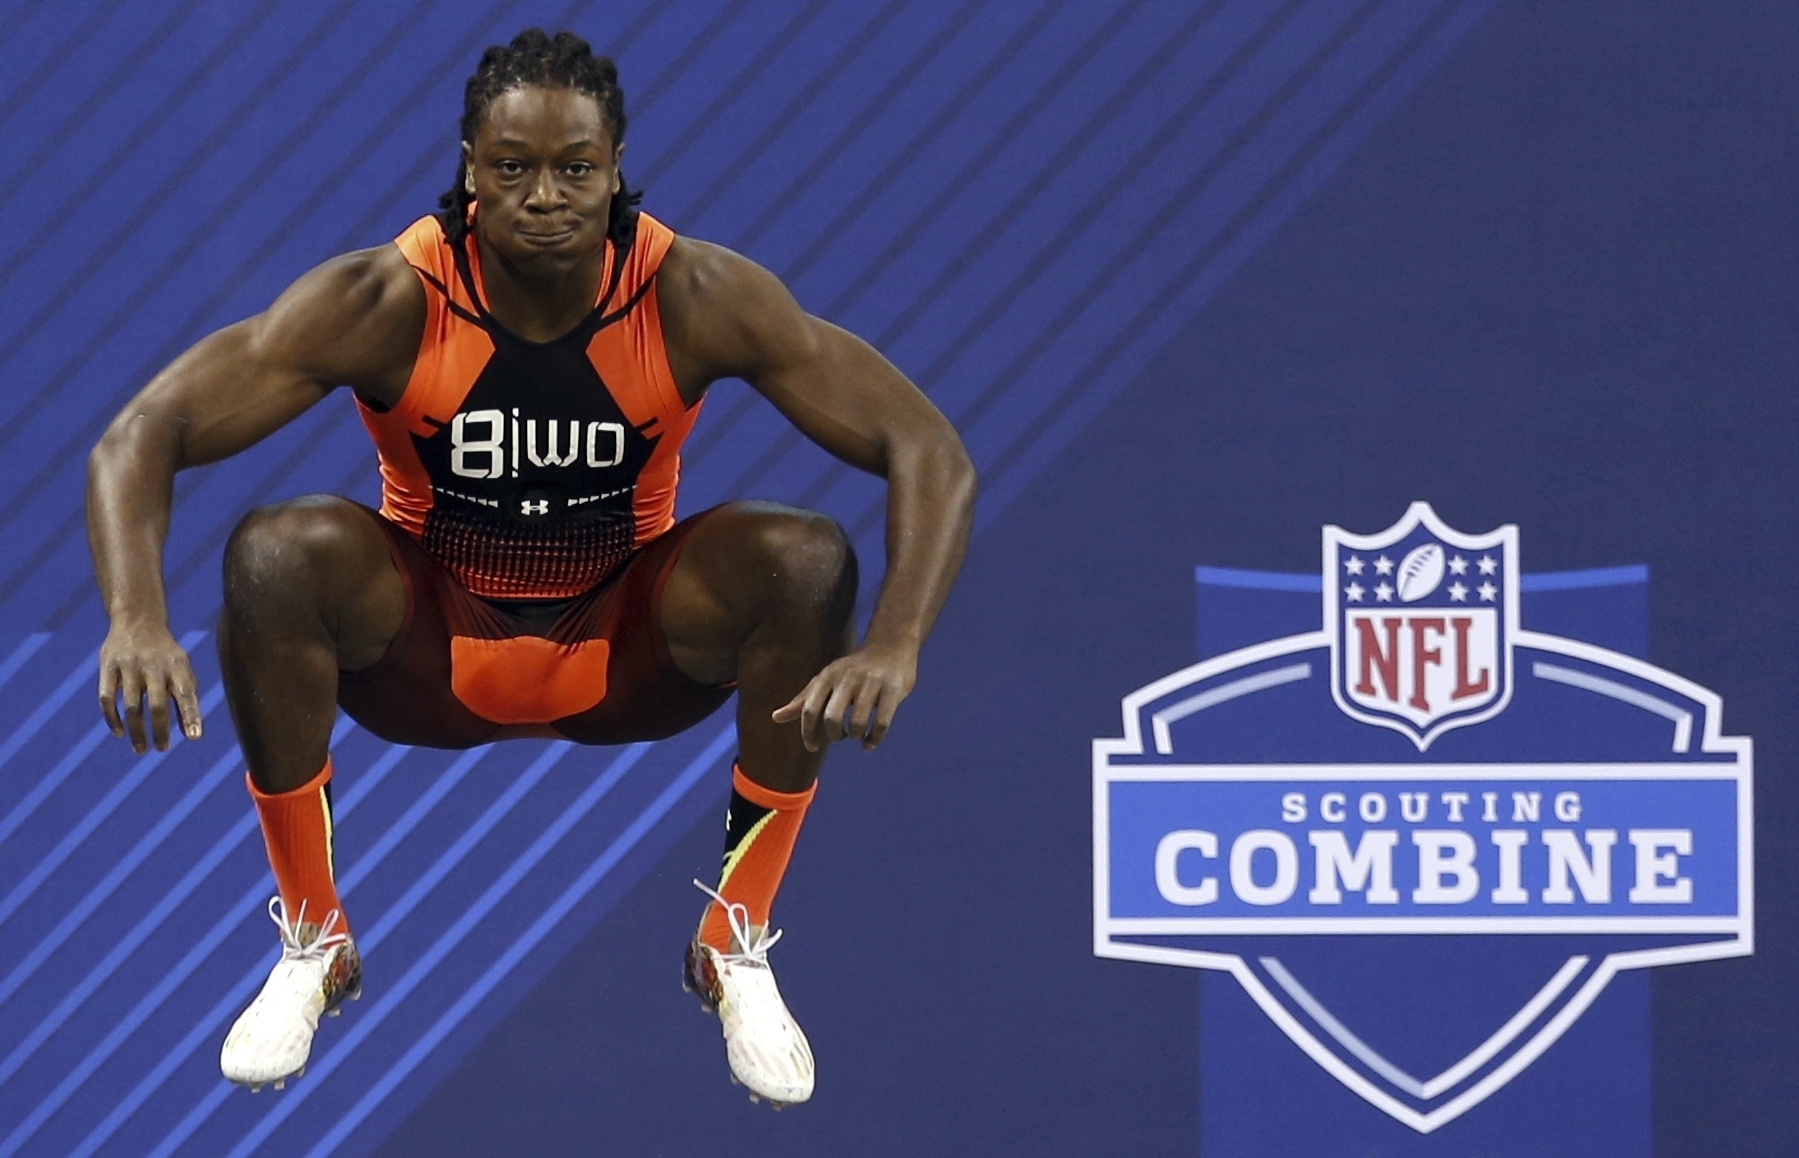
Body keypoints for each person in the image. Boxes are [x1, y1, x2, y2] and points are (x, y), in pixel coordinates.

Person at [84, 29, 974, 1109]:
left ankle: (733, 938)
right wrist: (134, 614)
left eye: (573, 169)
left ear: (615, 168)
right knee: (277, 553)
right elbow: (144, 431)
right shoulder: (388, 299)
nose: (543, 196)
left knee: (800, 557)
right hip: (430, 654)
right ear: (469, 166)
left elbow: (924, 447)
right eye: (512, 168)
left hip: (626, 651)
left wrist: (895, 642)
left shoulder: (691, 295)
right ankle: (314, 940)